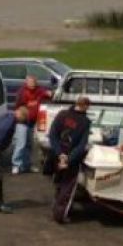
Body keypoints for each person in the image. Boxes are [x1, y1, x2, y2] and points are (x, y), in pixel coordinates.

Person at [46, 96, 91, 224]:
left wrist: (59, 154)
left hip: (56, 155)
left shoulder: (62, 115)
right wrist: (69, 159)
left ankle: (56, 208)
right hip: (71, 160)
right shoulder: (85, 122)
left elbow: (53, 135)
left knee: (59, 183)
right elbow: (81, 145)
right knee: (68, 187)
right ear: (86, 106)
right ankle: (60, 215)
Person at [0, 106, 29, 213]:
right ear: (20, 115)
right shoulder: (11, 119)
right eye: (23, 119)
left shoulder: (6, 114)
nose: (21, 122)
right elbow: (3, 130)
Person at [12, 76, 52, 174]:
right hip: (22, 122)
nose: (32, 84)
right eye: (30, 82)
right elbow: (17, 107)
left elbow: (48, 94)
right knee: (21, 144)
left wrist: (50, 93)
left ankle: (27, 165)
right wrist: (19, 116)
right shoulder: (22, 92)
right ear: (26, 82)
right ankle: (16, 165)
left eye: (34, 82)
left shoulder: (39, 90)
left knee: (29, 145)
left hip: (32, 123)